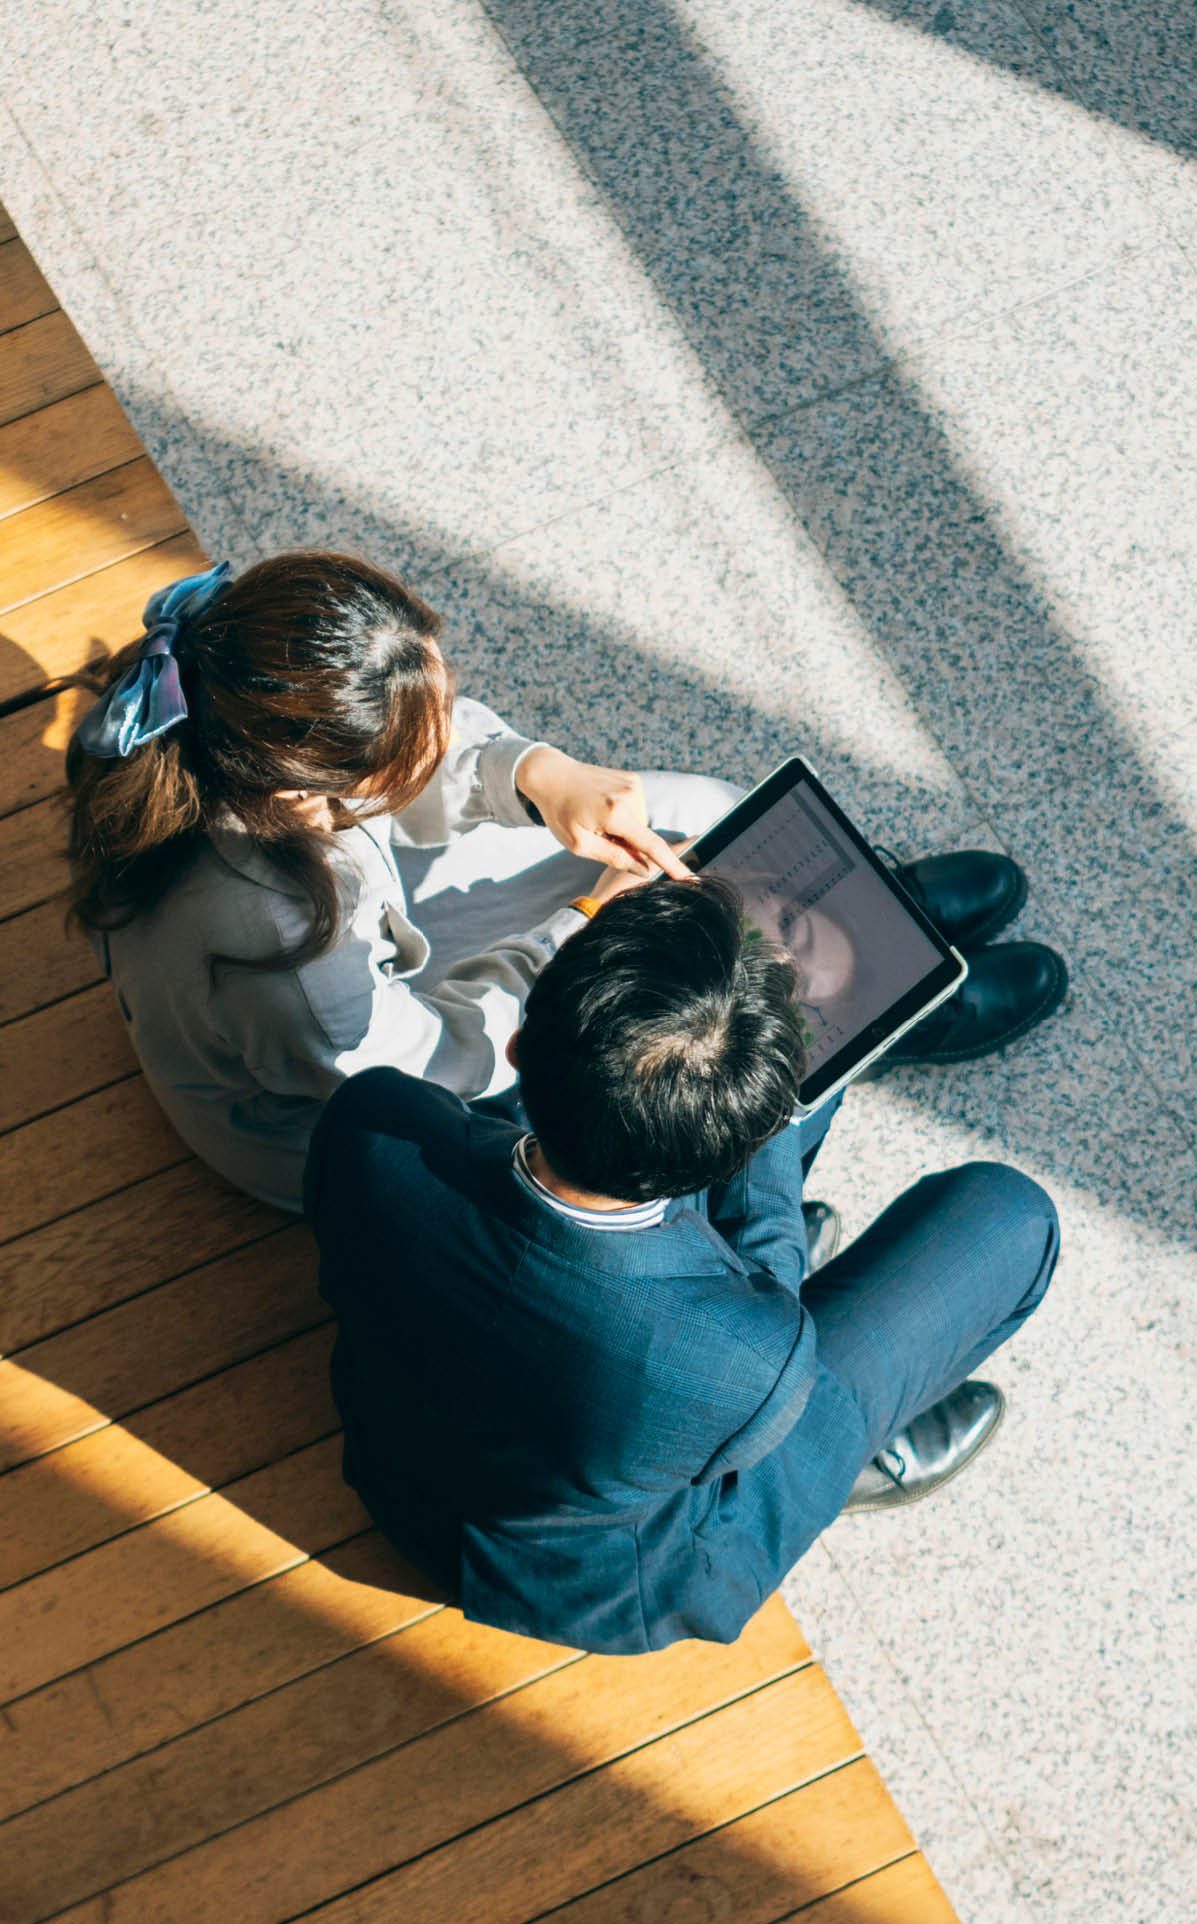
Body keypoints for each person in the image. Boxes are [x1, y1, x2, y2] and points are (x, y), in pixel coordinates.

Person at [65, 553, 1067, 1211]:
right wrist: (584, 937)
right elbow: (435, 1071)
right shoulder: (288, 958)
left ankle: (867, 921)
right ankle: (885, 1005)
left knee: (697, 818)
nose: (450, 723)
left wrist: (539, 777)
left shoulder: (224, 713)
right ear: (317, 793)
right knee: (656, 1033)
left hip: (361, 955)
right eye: (420, 738)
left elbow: (404, 737)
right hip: (360, 1114)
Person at [304, 876, 1058, 1652]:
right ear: (707, 1168)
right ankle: (839, 1469)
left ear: (520, 1045)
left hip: (401, 1468)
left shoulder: (375, 1128)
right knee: (1012, 1217)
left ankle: (854, 1017)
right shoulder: (750, 1364)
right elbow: (771, 1312)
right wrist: (773, 1121)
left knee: (776, 1107)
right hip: (603, 1575)